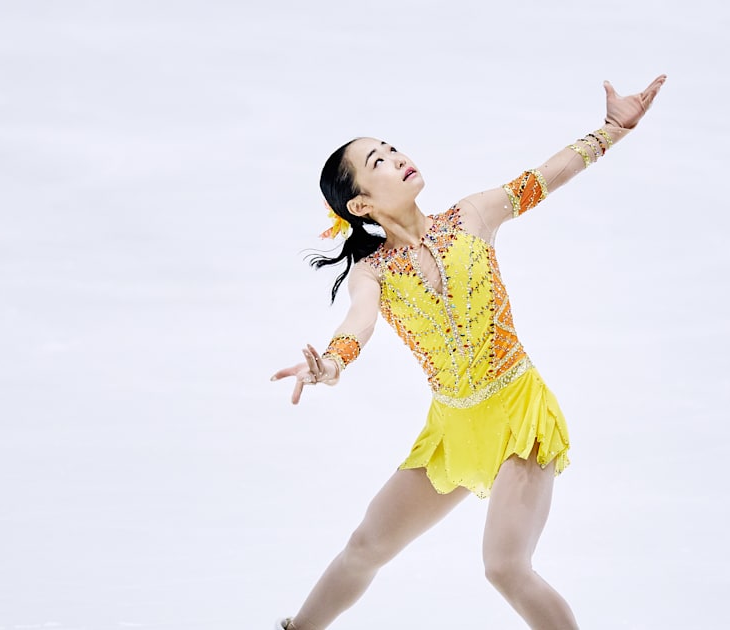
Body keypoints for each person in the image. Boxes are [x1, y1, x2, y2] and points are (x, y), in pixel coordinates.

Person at [270, 74, 667, 630]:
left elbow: (544, 178)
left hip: (519, 412)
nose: (396, 157)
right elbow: (357, 325)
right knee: (365, 545)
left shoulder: (473, 216)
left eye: (392, 148)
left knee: (505, 566)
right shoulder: (373, 271)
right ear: (360, 202)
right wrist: (331, 365)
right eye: (378, 161)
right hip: (453, 429)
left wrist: (612, 131)